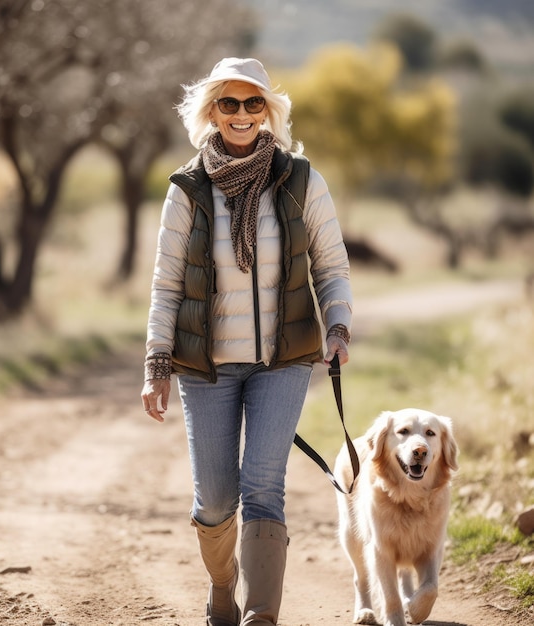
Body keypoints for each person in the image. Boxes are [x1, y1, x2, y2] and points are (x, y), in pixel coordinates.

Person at [140, 57, 352, 626]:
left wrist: (336, 325)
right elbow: (165, 284)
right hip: (205, 369)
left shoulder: (301, 178)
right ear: (211, 111)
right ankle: (222, 584)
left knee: (264, 486)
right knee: (214, 500)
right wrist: (157, 362)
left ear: (268, 112)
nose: (240, 114)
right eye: (229, 103)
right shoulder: (187, 188)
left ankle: (261, 614)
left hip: (282, 363)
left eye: (252, 103)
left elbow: (331, 265)